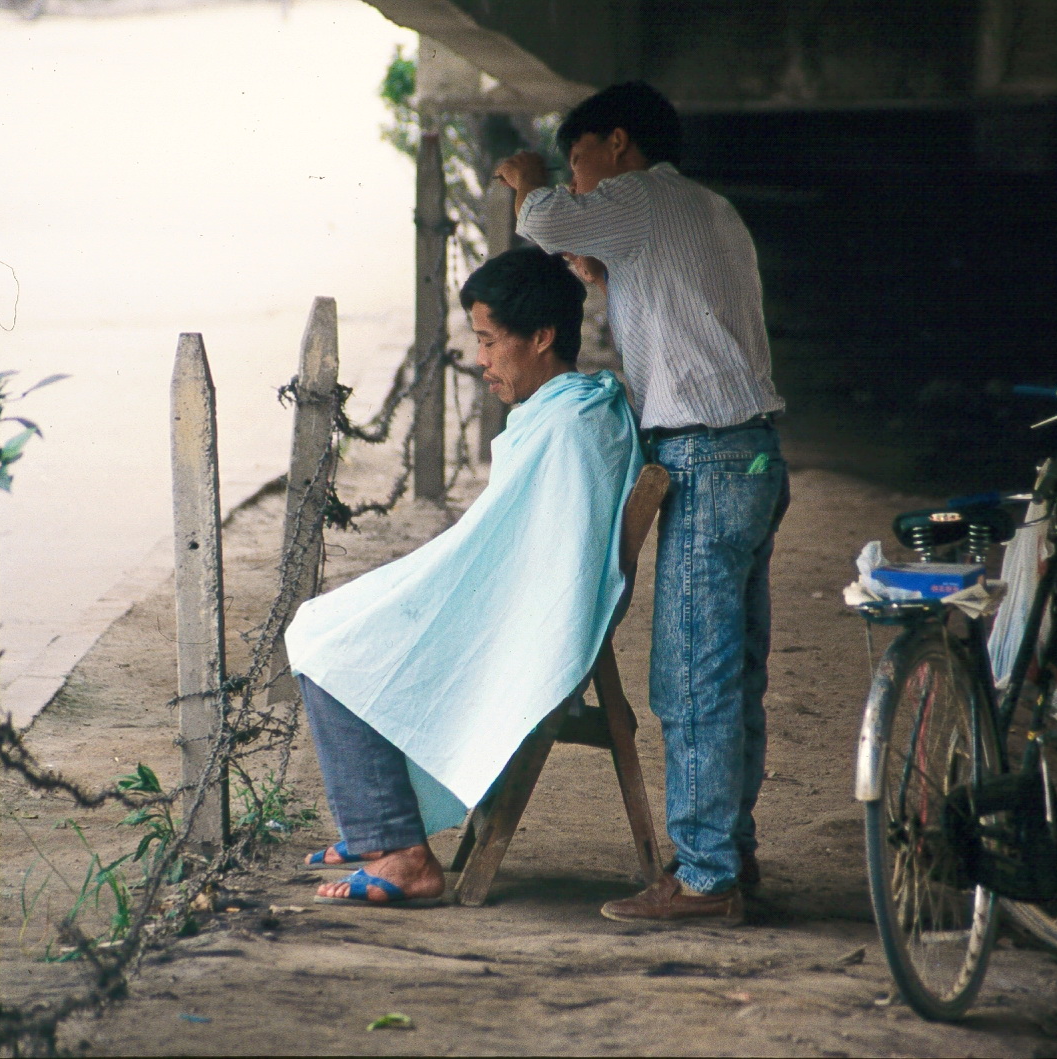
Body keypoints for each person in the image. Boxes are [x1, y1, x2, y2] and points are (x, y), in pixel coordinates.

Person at [495, 81, 788, 926]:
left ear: (617, 144)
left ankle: (703, 876)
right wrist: (605, 270)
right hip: (755, 452)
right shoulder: (707, 209)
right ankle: (729, 852)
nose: (576, 179)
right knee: (734, 672)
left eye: (579, 159)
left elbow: (543, 218)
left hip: (705, 452)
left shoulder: (642, 196)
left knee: (691, 676)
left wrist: (525, 178)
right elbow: (674, 303)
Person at [284, 246, 643, 907]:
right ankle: (378, 827)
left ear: (541, 337)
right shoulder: (580, 408)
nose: (480, 359)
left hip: (531, 626)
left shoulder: (568, 427)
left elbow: (530, 562)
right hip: (520, 607)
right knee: (331, 626)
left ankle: (398, 847)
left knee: (328, 640)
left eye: (488, 341)